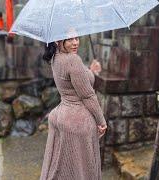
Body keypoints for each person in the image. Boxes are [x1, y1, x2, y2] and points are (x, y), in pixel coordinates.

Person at [40, 37, 107, 180]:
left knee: (63, 169)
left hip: (61, 116)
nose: (75, 42)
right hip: (77, 121)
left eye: (77, 38)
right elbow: (88, 95)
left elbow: (74, 81)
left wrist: (91, 71)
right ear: (58, 41)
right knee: (81, 171)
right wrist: (101, 121)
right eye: (70, 39)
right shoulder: (72, 60)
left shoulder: (55, 57)